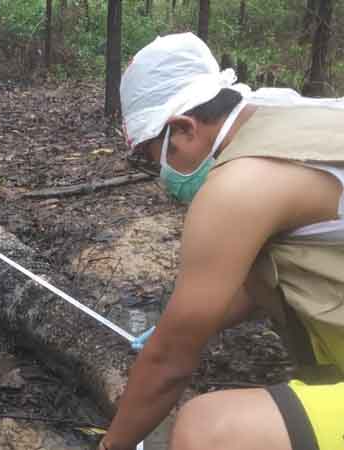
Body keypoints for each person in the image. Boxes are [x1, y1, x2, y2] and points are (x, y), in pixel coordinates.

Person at [101, 33, 344, 450]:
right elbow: (270, 276)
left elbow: (169, 364)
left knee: (209, 431)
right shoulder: (287, 117)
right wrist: (194, 319)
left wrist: (111, 446)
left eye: (150, 156)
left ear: (184, 128)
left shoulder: (238, 184)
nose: (159, 177)